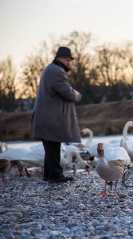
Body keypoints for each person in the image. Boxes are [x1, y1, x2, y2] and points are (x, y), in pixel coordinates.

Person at [31, 47, 82, 183]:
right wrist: (77, 94)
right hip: (51, 119)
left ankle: (49, 175)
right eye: (68, 60)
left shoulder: (50, 70)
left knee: (51, 148)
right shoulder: (56, 71)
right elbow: (68, 93)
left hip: (46, 118)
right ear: (63, 59)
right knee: (53, 148)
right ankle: (55, 175)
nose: (69, 63)